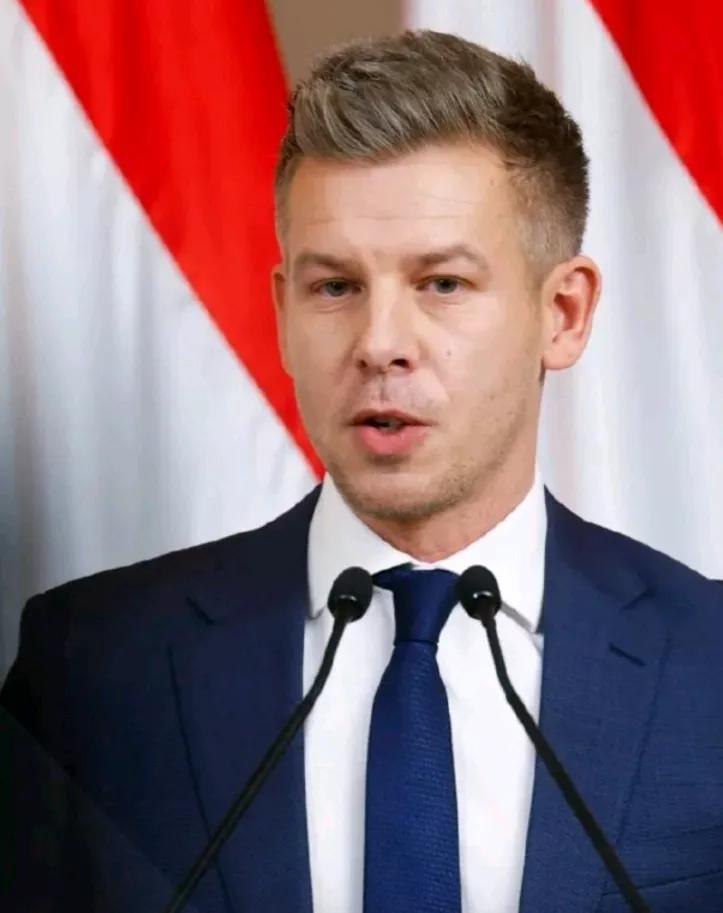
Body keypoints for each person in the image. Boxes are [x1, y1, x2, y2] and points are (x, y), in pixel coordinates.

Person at [1, 29, 722, 913]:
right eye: (334, 287)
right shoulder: (93, 665)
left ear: (562, 314)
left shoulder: (709, 664)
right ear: (282, 313)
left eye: (442, 283)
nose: (379, 343)